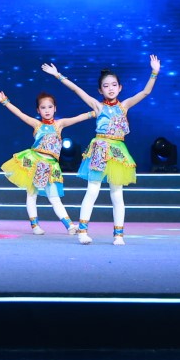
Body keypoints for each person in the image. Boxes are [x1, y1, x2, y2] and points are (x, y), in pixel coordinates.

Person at [43, 56, 160, 245]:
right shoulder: (97, 106)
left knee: (117, 194)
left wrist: (154, 72)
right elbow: (76, 90)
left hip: (118, 152)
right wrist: (58, 75)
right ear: (100, 90)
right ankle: (82, 231)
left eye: (114, 85)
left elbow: (145, 92)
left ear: (120, 88)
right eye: (106, 86)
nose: (110, 88)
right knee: (92, 191)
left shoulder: (124, 106)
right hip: (100, 149)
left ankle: (118, 235)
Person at [0, 88, 94, 234]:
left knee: (54, 198)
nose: (47, 110)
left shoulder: (59, 124)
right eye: (43, 107)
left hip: (51, 166)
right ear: (38, 110)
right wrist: (5, 102)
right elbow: (20, 113)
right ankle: (35, 226)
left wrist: (95, 112)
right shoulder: (37, 125)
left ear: (55, 108)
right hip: (36, 162)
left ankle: (70, 226)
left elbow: (79, 117)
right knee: (31, 194)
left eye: (50, 107)